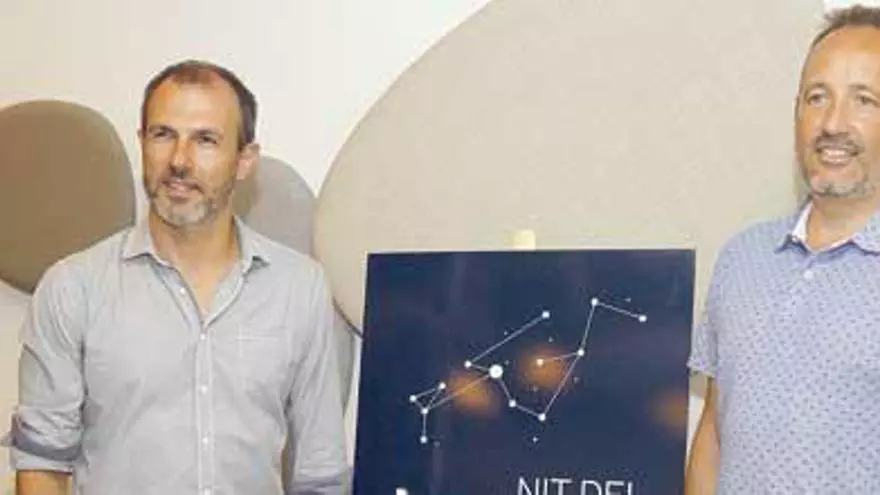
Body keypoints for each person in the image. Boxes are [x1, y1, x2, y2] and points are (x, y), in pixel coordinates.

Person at [6, 60, 349, 494]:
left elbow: (320, 473)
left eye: (205, 140)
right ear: (142, 143)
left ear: (244, 160)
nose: (179, 161)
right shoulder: (72, 289)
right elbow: (42, 466)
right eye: (163, 134)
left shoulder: (299, 288)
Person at [686, 5, 880, 494]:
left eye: (864, 100)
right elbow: (713, 435)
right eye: (817, 97)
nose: (833, 123)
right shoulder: (741, 259)